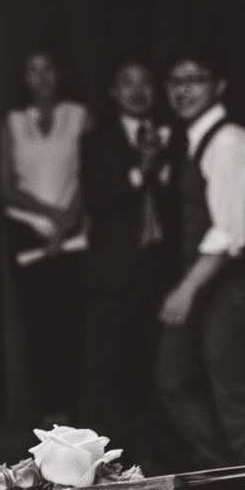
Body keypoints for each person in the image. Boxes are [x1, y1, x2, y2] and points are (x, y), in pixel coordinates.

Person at [155, 51, 245, 490]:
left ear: (218, 85)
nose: (183, 89)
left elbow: (230, 233)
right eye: (175, 80)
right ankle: (225, 483)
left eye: (195, 79)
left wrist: (185, 289)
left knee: (234, 394)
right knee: (177, 379)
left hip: (232, 286)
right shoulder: (196, 140)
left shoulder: (226, 142)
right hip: (213, 285)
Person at [80, 58, 182, 453]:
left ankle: (162, 443)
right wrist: (140, 171)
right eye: (127, 82)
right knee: (115, 363)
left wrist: (164, 167)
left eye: (145, 82)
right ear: (113, 92)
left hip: (164, 267)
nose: (137, 90)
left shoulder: (174, 135)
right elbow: (96, 201)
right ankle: (118, 449)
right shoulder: (97, 141)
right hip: (115, 271)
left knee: (161, 363)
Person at [0, 50, 89, 423]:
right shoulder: (14, 122)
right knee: (38, 324)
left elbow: (91, 174)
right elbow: (5, 186)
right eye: (33, 70)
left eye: (48, 68)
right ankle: (45, 412)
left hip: (76, 234)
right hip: (27, 233)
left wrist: (67, 224)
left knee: (71, 322)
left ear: (59, 74)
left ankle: (74, 407)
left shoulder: (79, 115)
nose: (42, 77)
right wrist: (50, 216)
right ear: (24, 79)